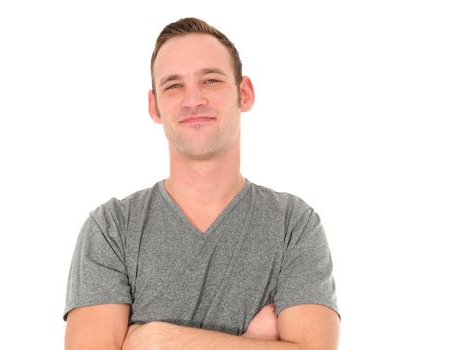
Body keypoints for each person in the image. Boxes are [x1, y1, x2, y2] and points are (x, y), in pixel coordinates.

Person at [64, 17, 340, 350]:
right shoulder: (111, 229)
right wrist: (255, 343)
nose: (193, 99)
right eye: (174, 85)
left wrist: (158, 340)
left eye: (210, 80)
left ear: (245, 93)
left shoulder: (293, 224)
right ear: (155, 106)